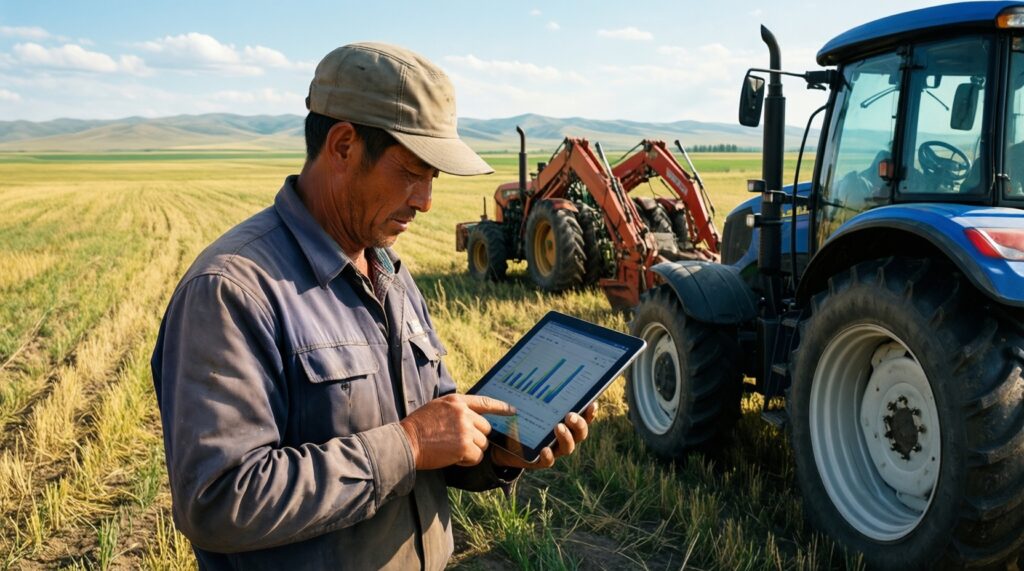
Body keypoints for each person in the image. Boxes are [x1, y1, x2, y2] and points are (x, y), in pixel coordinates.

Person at [150, 42, 595, 570]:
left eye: (433, 179)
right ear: (342, 146)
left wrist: (495, 452)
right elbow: (220, 501)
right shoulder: (232, 291)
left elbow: (434, 434)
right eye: (413, 171)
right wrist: (406, 445)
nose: (426, 200)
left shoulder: (389, 271)